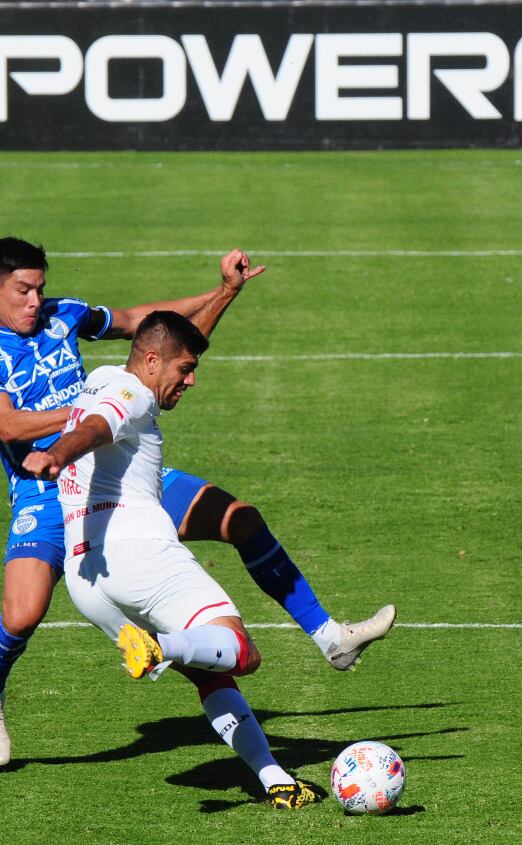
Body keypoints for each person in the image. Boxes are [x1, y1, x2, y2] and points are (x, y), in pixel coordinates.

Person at [0, 238, 395, 767]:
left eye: (40, 288)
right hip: (45, 487)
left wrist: (223, 291)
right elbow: (8, 424)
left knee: (242, 520)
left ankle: (330, 638)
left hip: (121, 469)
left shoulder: (62, 315)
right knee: (22, 616)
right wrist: (94, 406)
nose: (35, 301)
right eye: (23, 291)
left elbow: (148, 330)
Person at [22, 310, 318, 808]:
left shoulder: (100, 378)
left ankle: (275, 779)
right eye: (185, 369)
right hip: (138, 554)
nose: (191, 380)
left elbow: (100, 415)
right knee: (240, 650)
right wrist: (58, 453)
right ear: (153, 361)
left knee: (209, 668)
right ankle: (160, 646)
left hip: (87, 582)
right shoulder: (133, 395)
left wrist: (227, 294)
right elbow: (96, 429)